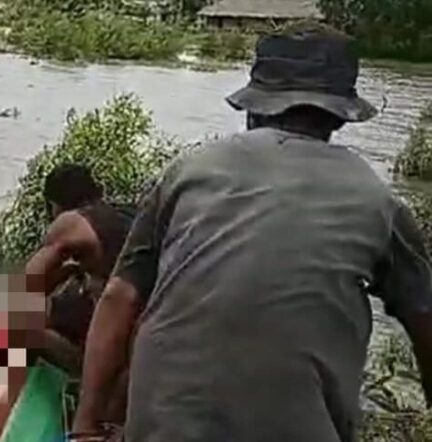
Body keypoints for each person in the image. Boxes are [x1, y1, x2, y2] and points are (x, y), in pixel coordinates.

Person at [72, 23, 432, 442]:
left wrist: (85, 426)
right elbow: (424, 319)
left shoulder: (189, 171)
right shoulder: (379, 201)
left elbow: (120, 297)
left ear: (254, 106)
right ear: (339, 116)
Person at [24, 164, 135, 421]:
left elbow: (27, 286)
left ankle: (34, 399)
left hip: (123, 346)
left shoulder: (71, 222)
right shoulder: (127, 213)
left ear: (55, 204)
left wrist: (60, 273)